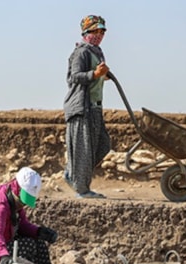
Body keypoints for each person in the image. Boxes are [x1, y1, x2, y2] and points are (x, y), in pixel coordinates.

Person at [63, 14, 111, 199]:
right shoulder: (81, 52)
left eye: (101, 32)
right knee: (83, 149)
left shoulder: (97, 52)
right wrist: (94, 74)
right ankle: (82, 190)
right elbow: (74, 77)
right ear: (85, 33)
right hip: (82, 108)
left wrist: (103, 75)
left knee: (102, 145)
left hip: (95, 107)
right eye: (94, 31)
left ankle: (72, 174)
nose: (98, 35)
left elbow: (96, 75)